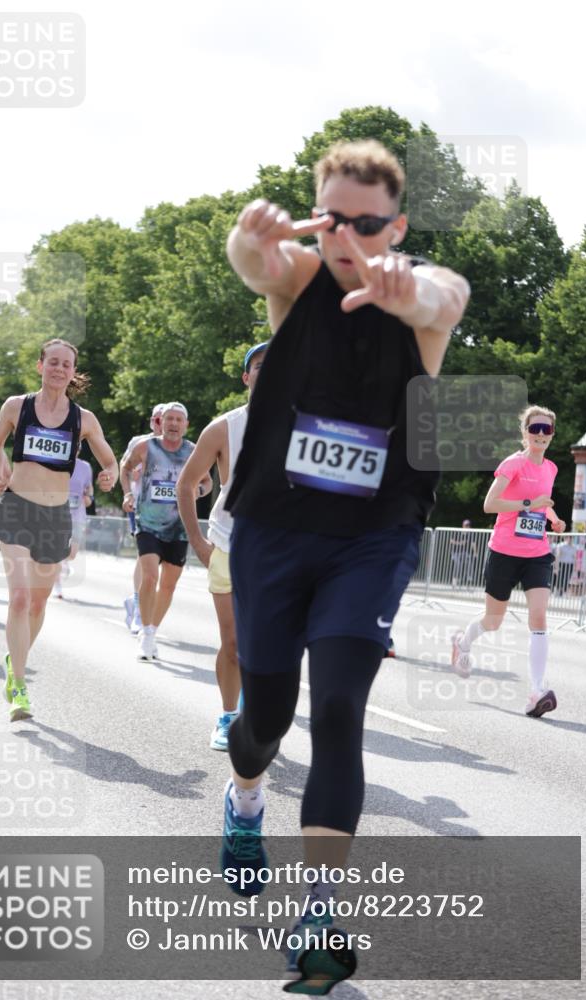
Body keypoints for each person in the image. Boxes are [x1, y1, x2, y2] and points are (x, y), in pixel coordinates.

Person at [220, 139, 470, 987]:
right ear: (315, 216)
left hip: (371, 537)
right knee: (265, 719)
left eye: (368, 224)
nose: (348, 237)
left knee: (336, 709)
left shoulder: (424, 299)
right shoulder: (296, 282)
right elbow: (256, 263)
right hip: (272, 531)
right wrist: (247, 237)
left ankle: (319, 909)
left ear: (394, 226)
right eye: (332, 218)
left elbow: (444, 295)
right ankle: (245, 794)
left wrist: (410, 291)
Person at [0, 338, 118, 722]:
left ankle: (15, 659)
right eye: (53, 362)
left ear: (72, 372)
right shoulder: (16, 406)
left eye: (67, 364)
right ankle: (20, 688)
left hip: (55, 516)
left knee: (40, 604)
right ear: (40, 365)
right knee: (21, 600)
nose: (60, 369)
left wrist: (109, 475)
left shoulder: (84, 419)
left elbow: (108, 459)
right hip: (16, 509)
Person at [176, 342, 267, 750]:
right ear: (246, 376)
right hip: (229, 545)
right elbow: (185, 484)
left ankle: (256, 708)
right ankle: (229, 716)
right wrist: (197, 540)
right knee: (232, 641)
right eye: (261, 367)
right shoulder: (224, 427)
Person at [452, 405, 566, 718]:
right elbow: (490, 504)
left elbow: (543, 504)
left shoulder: (551, 468)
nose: (541, 435)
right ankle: (463, 642)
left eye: (547, 430)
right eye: (535, 429)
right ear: (525, 432)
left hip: (537, 554)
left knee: (539, 617)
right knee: (493, 620)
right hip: (504, 551)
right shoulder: (512, 464)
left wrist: (554, 519)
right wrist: (529, 503)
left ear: (552, 434)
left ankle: (537, 691)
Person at [120, 402, 212, 662]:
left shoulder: (194, 451)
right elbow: (125, 467)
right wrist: (128, 493)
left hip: (179, 526)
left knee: (169, 586)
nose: (173, 423)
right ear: (161, 422)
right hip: (147, 522)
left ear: (186, 425)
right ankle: (146, 632)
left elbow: (207, 481)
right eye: (168, 419)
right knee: (150, 577)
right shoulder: (146, 446)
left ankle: (152, 630)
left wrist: (199, 492)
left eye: (178, 420)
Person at [122, 403, 165, 633]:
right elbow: (125, 469)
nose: (160, 424)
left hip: (167, 512)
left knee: (157, 561)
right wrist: (128, 492)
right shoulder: (140, 443)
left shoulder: (179, 447)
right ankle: (139, 607)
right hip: (141, 508)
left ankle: (135, 601)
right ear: (151, 421)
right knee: (145, 558)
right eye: (156, 419)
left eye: (164, 419)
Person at [51, 446, 94, 598]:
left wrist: (88, 498)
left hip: (77, 516)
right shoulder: (56, 464)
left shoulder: (85, 467)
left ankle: (64, 562)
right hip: (58, 515)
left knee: (72, 553)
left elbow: (89, 494)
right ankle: (57, 585)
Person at [449, 518, 477, 589]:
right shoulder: (458, 532)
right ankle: (454, 583)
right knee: (458, 565)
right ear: (463, 525)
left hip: (464, 553)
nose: (467, 526)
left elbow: (473, 544)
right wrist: (460, 543)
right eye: (466, 525)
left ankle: (469, 582)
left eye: (469, 525)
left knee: (469, 563)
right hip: (455, 552)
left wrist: (475, 552)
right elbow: (451, 541)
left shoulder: (470, 534)